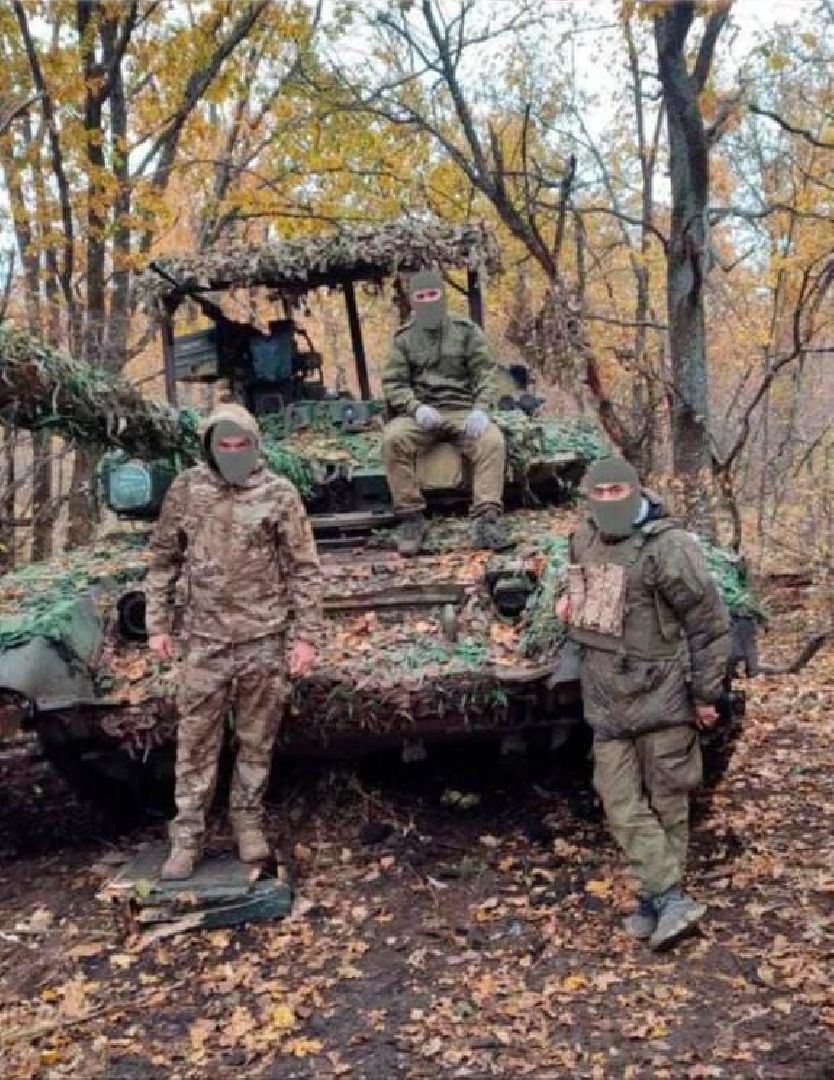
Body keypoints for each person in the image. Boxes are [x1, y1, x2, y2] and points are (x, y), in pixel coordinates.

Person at [145, 402, 322, 880]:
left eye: (240, 443)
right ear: (208, 446)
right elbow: (163, 560)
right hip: (203, 640)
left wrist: (306, 637)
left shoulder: (278, 493)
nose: (232, 451)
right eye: (223, 444)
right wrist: (157, 624)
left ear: (254, 444)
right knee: (195, 742)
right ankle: (187, 836)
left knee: (255, 740)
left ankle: (248, 822)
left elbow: (304, 568)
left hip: (262, 638)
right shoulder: (187, 490)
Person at [559, 456, 730, 950]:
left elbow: (708, 625)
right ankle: (668, 896)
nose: (609, 500)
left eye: (618, 491)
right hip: (607, 703)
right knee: (619, 803)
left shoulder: (669, 547)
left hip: (663, 697)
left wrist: (705, 694)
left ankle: (657, 901)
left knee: (669, 800)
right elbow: (590, 604)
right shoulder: (583, 538)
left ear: (636, 490)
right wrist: (567, 606)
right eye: (601, 492)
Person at [381, 269, 511, 555]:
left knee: (492, 442)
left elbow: (486, 375)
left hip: (463, 411)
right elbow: (394, 382)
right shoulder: (403, 339)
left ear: (442, 295)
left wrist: (481, 410)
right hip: (422, 414)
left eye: (432, 294)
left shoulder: (466, 332)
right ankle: (411, 517)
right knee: (393, 440)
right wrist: (415, 408)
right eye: (421, 296)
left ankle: (487, 517)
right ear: (413, 301)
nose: (427, 300)